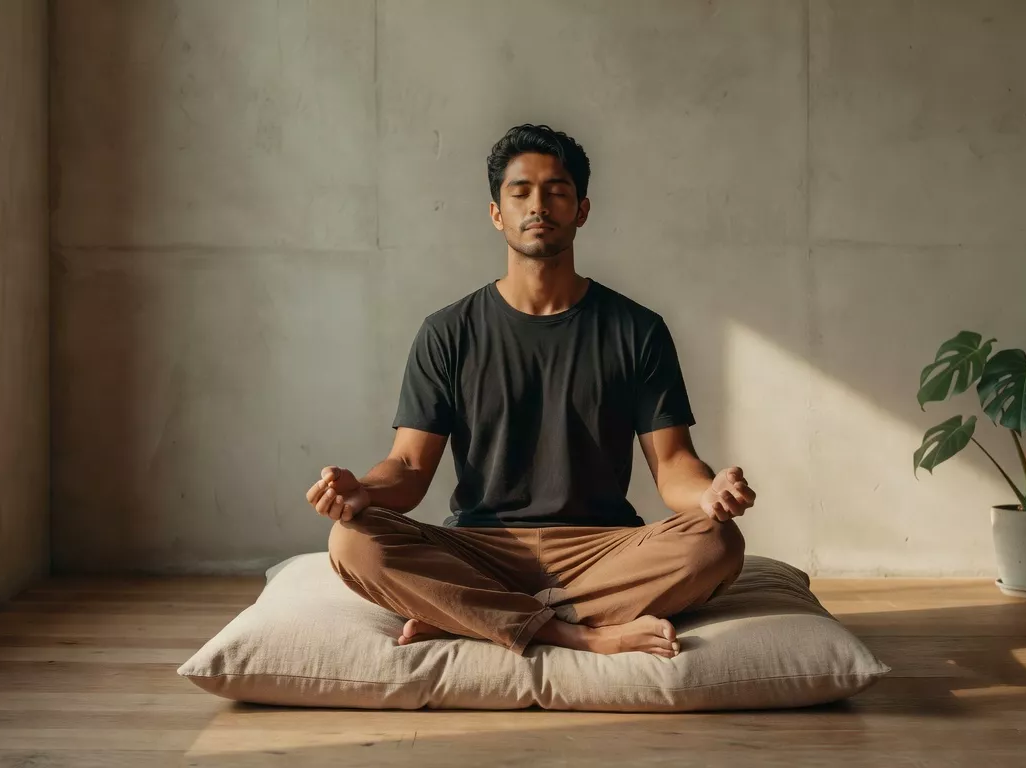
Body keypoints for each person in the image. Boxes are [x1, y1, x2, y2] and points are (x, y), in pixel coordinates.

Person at [306, 124, 756, 658]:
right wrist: (365, 491)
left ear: (581, 209)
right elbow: (407, 468)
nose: (537, 205)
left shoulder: (637, 330)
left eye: (556, 191)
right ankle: (576, 633)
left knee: (716, 543)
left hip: (603, 548)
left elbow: (675, 463)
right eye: (520, 193)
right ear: (497, 212)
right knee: (352, 541)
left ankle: (472, 616)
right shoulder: (448, 332)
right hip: (480, 547)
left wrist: (707, 495)